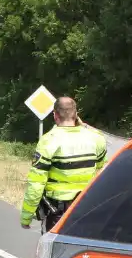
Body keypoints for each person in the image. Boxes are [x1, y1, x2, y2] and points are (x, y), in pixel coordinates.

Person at [20, 97, 107, 231]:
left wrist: (27, 216)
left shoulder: (49, 140)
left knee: (56, 250)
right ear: (76, 114)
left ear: (55, 115)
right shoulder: (96, 138)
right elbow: (103, 170)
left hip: (58, 212)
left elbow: (36, 183)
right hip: (87, 208)